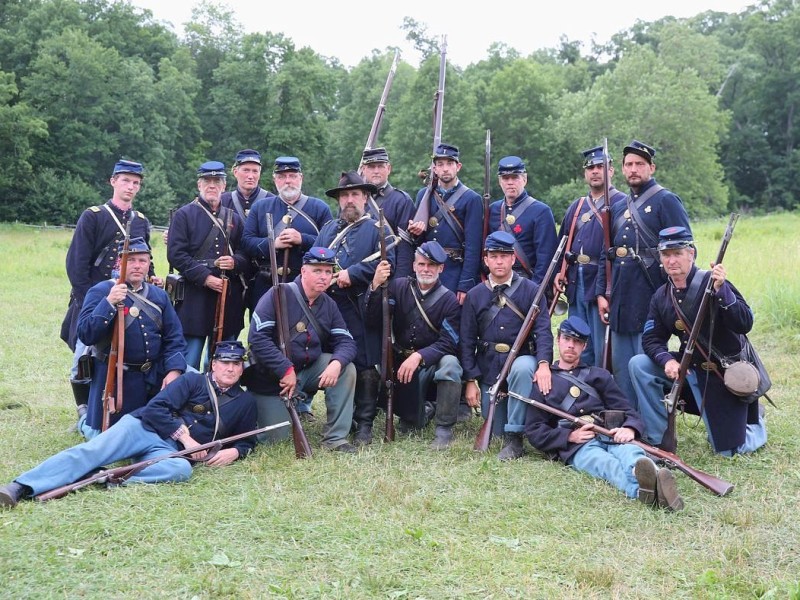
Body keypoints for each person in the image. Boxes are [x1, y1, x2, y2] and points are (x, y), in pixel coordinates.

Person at [0, 342, 261, 509]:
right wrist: (186, 438)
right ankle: (21, 486)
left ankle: (104, 479)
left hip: (169, 453)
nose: (230, 369)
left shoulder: (246, 401)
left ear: (241, 369)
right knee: (92, 451)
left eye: (235, 364)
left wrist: (235, 451)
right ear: (213, 364)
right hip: (142, 429)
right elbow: (155, 409)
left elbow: (248, 440)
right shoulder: (192, 382)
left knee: (180, 471)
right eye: (224, 363)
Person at [628, 227, 767, 456]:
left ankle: (756, 424)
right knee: (639, 364)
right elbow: (652, 338)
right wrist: (666, 361)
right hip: (690, 371)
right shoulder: (662, 296)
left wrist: (723, 291)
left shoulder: (716, 283)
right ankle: (657, 438)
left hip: (722, 376)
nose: (671, 260)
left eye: (677, 253)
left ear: (691, 253)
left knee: (730, 451)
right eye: (666, 255)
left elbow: (744, 323)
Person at [523, 316, 684, 510]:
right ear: (558, 340)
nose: (571, 346)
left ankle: (652, 476)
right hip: (578, 447)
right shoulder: (544, 380)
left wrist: (630, 429)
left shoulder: (598, 376)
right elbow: (534, 430)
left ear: (584, 347)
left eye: (577, 342)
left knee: (631, 452)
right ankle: (646, 491)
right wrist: (569, 436)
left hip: (609, 434)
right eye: (567, 339)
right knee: (605, 465)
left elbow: (627, 409)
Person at [595, 140, 692, 407]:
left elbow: (685, 250)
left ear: (652, 167)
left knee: (644, 358)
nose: (633, 169)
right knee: (621, 364)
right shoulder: (617, 206)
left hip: (651, 293)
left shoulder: (666, 200)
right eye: (628, 164)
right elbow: (609, 253)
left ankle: (650, 415)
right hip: (621, 294)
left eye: (639, 164)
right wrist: (603, 293)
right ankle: (627, 413)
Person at [61, 159, 152, 416]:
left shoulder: (141, 221)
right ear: (113, 181)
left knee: (121, 356)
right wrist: (91, 301)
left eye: (136, 183)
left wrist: (151, 279)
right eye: (125, 181)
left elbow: (146, 258)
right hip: (95, 298)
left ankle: (113, 408)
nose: (131, 187)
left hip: (131, 300)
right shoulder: (94, 216)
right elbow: (76, 264)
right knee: (83, 357)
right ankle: (83, 410)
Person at [246, 247, 358, 453]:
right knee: (275, 439)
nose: (324, 277)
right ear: (303, 271)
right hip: (272, 377)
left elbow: (346, 341)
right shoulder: (277, 294)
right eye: (317, 271)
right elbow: (257, 339)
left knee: (346, 368)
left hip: (307, 370)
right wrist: (285, 369)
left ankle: (335, 439)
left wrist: (336, 363)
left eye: (328, 271)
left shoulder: (329, 304)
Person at [76, 237, 187, 439]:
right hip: (114, 379)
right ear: (120, 263)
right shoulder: (101, 291)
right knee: (100, 435)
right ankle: (83, 417)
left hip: (151, 377)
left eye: (142, 261)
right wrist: (109, 302)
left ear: (149, 265)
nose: (137, 266)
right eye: (131, 260)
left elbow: (174, 337)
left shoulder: (158, 296)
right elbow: (85, 333)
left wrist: (174, 370)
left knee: (148, 432)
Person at [315, 171, 396, 446]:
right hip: (329, 306)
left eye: (355, 195)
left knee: (366, 363)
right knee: (336, 360)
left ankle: (364, 424)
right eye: (345, 195)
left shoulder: (378, 229)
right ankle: (342, 419)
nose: (349, 200)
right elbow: (313, 258)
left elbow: (388, 262)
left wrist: (355, 273)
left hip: (361, 304)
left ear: (365, 198)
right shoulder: (328, 229)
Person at [461, 231, 553, 460]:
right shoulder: (474, 295)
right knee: (496, 429)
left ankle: (516, 441)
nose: (499, 261)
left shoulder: (532, 290)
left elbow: (543, 331)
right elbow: (466, 341)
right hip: (489, 367)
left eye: (504, 256)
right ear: (486, 259)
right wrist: (470, 380)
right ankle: (509, 430)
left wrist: (543, 364)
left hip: (520, 364)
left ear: (513, 259)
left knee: (522, 368)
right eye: (494, 256)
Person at [365, 241, 463, 449]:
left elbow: (449, 342)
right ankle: (422, 410)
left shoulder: (449, 301)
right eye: (422, 264)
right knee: (410, 424)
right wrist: (375, 285)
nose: (426, 269)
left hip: (429, 363)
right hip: (399, 360)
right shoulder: (398, 287)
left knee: (451, 364)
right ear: (414, 265)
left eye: (431, 265)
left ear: (441, 268)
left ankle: (444, 429)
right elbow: (374, 319)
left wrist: (419, 356)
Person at [167, 161, 249, 370]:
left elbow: (245, 254)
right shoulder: (184, 215)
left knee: (222, 360)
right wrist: (205, 277)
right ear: (199, 185)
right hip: (195, 297)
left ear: (224, 186)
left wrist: (234, 262)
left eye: (216, 181)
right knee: (189, 362)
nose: (212, 185)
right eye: (207, 181)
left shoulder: (234, 219)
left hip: (226, 297)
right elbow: (176, 255)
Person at [553, 146, 627, 366]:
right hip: (577, 283)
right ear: (585, 173)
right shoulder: (577, 206)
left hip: (603, 285)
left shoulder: (622, 204)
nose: (595, 171)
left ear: (611, 171)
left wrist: (607, 290)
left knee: (602, 350)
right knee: (576, 346)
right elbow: (562, 245)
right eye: (591, 168)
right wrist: (559, 273)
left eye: (600, 167)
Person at [241, 156, 333, 319]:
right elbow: (246, 242)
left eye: (292, 176)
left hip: (306, 286)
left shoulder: (320, 208)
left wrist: (302, 239)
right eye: (282, 176)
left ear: (300, 178)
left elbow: (330, 245)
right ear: (275, 179)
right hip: (266, 284)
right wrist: (273, 243)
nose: (287, 181)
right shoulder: (260, 207)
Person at [408, 143, 483, 303]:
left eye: (449, 163)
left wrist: (465, 284)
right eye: (440, 164)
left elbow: (473, 246)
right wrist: (414, 233)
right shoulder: (423, 195)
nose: (445, 169)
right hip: (427, 271)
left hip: (455, 272)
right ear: (434, 168)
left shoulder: (472, 199)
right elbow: (418, 241)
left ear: (458, 166)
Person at [488, 156, 558, 286]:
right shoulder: (493, 209)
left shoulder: (541, 211)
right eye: (505, 178)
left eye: (515, 177)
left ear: (524, 179)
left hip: (527, 283)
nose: (510, 182)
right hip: (496, 282)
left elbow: (546, 258)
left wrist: (536, 289)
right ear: (499, 181)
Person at [359, 147, 416, 278]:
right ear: (363, 169)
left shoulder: (401, 200)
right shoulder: (354, 200)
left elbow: (404, 248)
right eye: (371, 166)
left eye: (380, 166)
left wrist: (399, 282)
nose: (376, 171)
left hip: (388, 274)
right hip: (358, 273)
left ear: (388, 169)